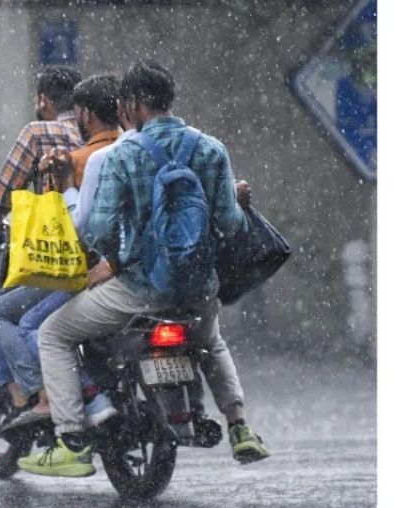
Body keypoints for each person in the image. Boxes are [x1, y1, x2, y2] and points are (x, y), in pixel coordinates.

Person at [19, 59, 269, 479]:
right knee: (211, 342)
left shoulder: (124, 155)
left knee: (52, 333)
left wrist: (115, 258)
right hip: (197, 288)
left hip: (138, 290)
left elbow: (97, 229)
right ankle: (240, 427)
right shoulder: (210, 149)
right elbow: (230, 224)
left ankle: (70, 443)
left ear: (133, 103)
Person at [0, 66, 84, 418]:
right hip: (108, 258)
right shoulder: (101, 134)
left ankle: (35, 397)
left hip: (61, 256)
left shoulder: (38, 133)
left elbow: (4, 190)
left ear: (43, 99)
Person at [0, 74, 124, 432]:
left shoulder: (79, 157)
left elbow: (82, 227)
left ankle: (54, 402)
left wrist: (63, 183)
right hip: (142, 271)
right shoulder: (137, 149)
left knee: (25, 323)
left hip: (89, 269)